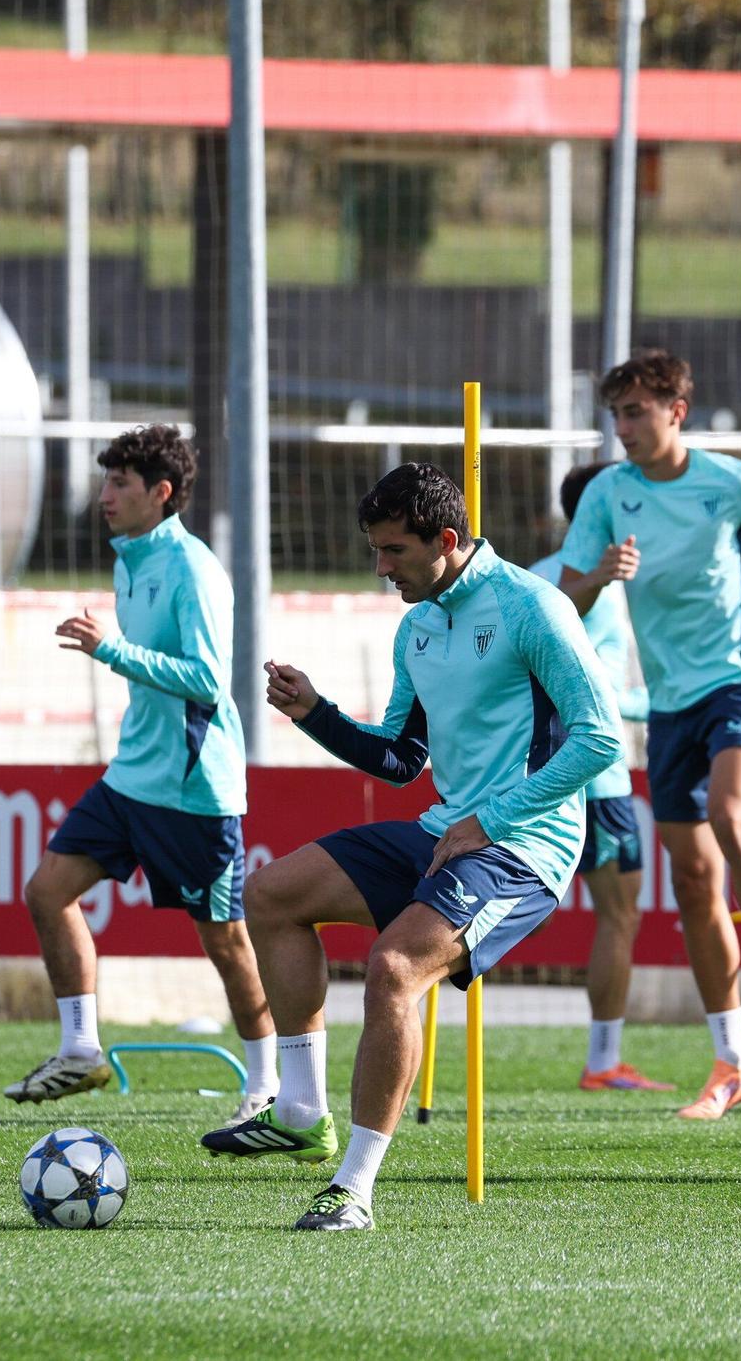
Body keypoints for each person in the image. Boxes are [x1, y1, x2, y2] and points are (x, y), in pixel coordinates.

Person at [199, 463, 621, 1231]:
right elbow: (400, 760)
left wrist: (489, 821)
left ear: (447, 540)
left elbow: (600, 739)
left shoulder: (533, 607)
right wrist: (317, 713)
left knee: (393, 968)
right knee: (269, 894)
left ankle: (353, 1189)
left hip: (525, 849)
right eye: (377, 549)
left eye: (394, 551)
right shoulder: (417, 625)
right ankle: (298, 1107)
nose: (381, 568)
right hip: (444, 829)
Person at [558, 349, 741, 1121]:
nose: (624, 428)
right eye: (617, 414)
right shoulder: (610, 495)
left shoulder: (734, 482)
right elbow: (564, 601)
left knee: (733, 814)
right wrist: (597, 578)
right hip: (671, 704)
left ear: (677, 412)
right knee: (691, 884)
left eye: (638, 412)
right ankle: (731, 1060)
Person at [5, 424, 276, 1129]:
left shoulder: (194, 570)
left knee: (226, 942)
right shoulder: (131, 560)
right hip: (132, 778)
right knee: (47, 892)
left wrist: (115, 651)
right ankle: (81, 1050)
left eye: (119, 484)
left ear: (160, 493)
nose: (105, 497)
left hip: (192, 790)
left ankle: (270, 1085)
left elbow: (209, 683)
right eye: (105, 482)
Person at [531, 463, 670, 1093]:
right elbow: (601, 693)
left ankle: (604, 1060)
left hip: (537, 770)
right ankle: (602, 1062)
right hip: (599, 777)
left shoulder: (530, 576)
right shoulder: (596, 583)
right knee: (619, 915)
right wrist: (664, 705)